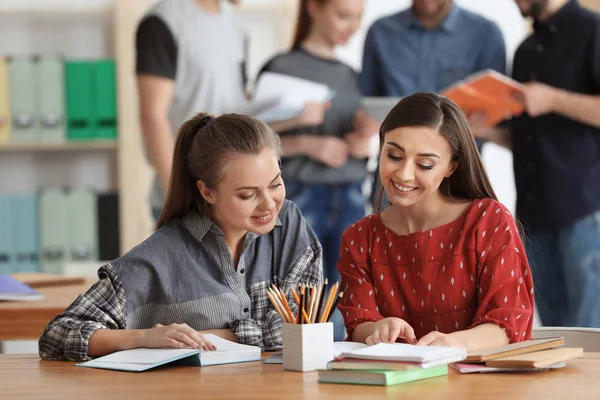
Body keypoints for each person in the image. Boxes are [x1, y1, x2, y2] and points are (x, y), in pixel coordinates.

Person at [38, 113, 323, 361]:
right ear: (207, 191)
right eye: (247, 194)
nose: (269, 204)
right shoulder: (159, 257)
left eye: (275, 184)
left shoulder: (289, 225)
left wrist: (210, 335)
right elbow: (57, 335)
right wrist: (142, 338)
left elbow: (303, 327)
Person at [337, 93, 534, 351]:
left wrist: (452, 344)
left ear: (452, 166)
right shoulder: (359, 238)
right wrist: (378, 329)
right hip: (396, 387)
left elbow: (508, 321)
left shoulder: (487, 220)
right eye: (394, 156)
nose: (404, 174)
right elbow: (358, 324)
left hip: (480, 387)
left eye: (425, 164)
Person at [470, 0, 600, 328]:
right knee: (559, 336)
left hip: (586, 212)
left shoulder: (593, 30)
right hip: (534, 215)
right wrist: (481, 130)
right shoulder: (525, 50)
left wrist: (554, 99)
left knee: (593, 336)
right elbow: (527, 139)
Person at [257, 0, 379, 340]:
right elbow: (250, 143)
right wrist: (309, 144)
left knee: (348, 296)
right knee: (298, 295)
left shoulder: (353, 76)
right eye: (342, 15)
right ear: (314, 8)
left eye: (358, 18)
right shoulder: (280, 67)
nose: (351, 26)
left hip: (352, 196)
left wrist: (362, 143)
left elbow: (360, 137)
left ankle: (338, 374)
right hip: (300, 193)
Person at [136, 0, 248, 221]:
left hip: (231, 198)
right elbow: (152, 115)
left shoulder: (236, 24)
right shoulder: (163, 21)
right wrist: (181, 199)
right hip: (190, 202)